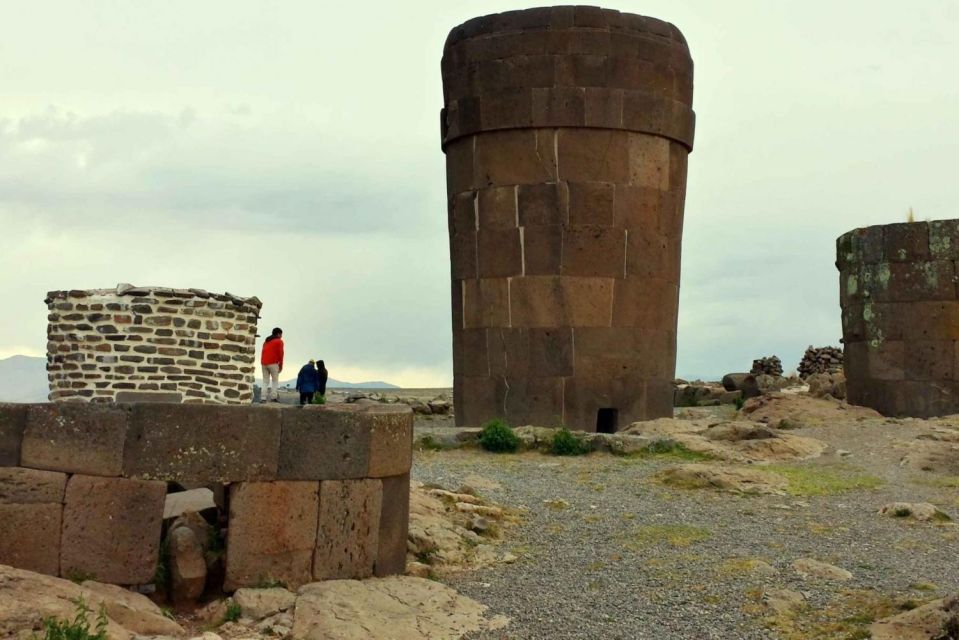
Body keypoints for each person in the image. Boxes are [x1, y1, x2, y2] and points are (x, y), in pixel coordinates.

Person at [260, 327, 284, 403]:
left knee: (265, 381)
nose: (281, 336)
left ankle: (263, 398)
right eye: (281, 334)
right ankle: (273, 397)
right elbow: (281, 354)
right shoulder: (279, 341)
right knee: (275, 381)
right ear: (278, 334)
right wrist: (280, 366)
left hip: (264, 363)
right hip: (273, 363)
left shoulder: (266, 341)